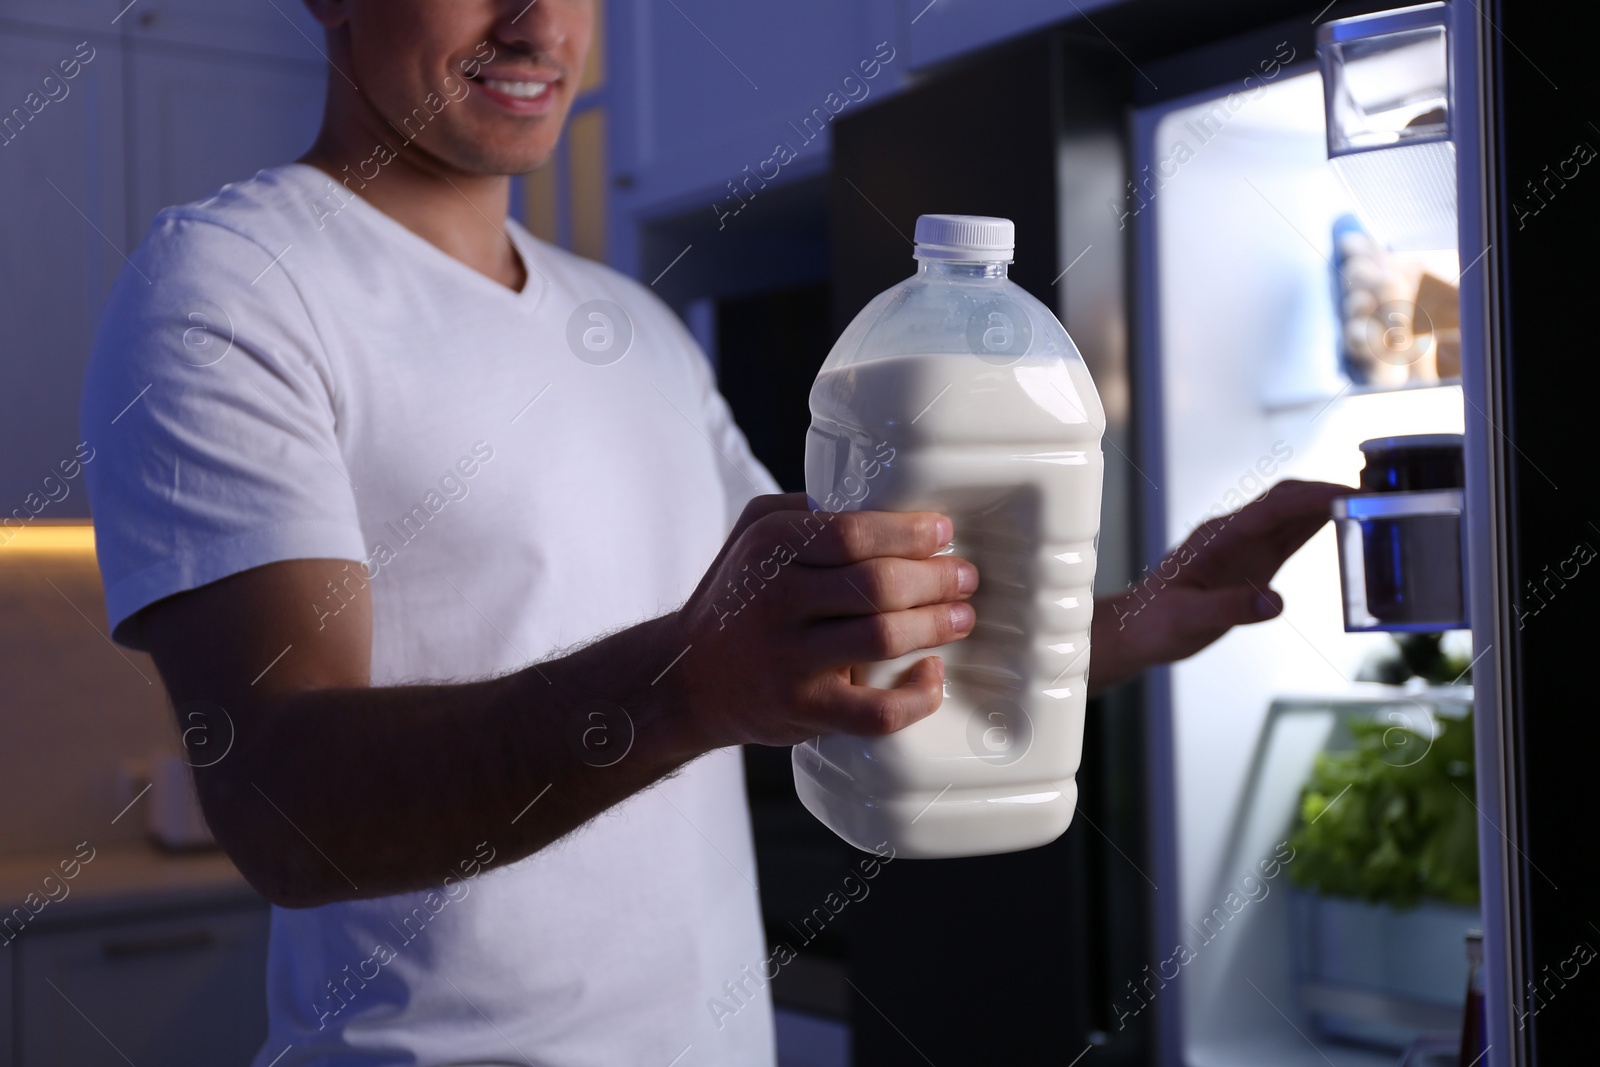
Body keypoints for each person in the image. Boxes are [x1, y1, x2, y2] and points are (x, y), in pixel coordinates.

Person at [78, 2, 1345, 1064]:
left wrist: (1134, 615)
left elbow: (838, 641)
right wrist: (690, 683)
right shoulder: (231, 286)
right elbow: (282, 804)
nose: (533, 24)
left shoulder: (631, 327)